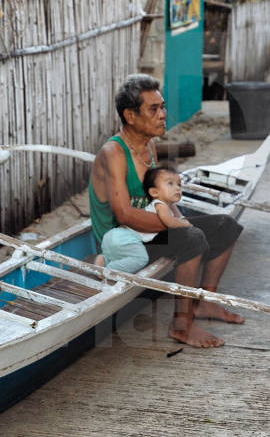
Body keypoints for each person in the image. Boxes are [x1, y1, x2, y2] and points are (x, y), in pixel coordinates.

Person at [88, 75, 245, 348]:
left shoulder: (148, 145)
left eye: (162, 106)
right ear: (130, 115)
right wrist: (174, 225)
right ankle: (181, 325)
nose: (163, 114)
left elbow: (160, 194)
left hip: (147, 231)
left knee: (226, 226)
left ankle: (204, 303)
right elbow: (124, 214)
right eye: (153, 109)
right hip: (122, 241)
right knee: (192, 238)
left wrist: (178, 218)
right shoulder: (113, 152)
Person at [94, 166, 190, 274]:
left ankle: (104, 259)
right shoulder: (160, 205)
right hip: (127, 238)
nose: (177, 188)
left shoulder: (165, 206)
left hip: (114, 236)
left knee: (121, 255)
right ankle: (109, 270)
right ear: (154, 192)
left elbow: (174, 216)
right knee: (141, 259)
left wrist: (179, 216)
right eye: (170, 184)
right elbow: (169, 222)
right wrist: (186, 224)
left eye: (179, 185)